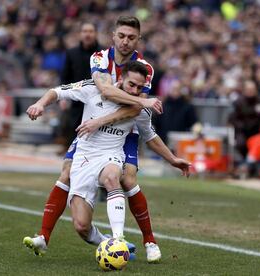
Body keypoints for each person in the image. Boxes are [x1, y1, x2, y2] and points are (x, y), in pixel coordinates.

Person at [23, 16, 165, 263]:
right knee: (66, 171)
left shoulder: (144, 68)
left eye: (131, 37)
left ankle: (149, 242)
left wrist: (119, 113)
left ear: (138, 39)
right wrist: (141, 101)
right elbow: (106, 90)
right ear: (113, 35)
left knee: (126, 178)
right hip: (93, 128)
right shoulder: (99, 58)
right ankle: (45, 237)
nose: (125, 41)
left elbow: (134, 111)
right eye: (121, 35)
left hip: (124, 131)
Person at [23, 61, 191, 258]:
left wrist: (172, 159)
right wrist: (39, 104)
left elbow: (150, 137)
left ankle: (118, 239)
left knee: (113, 177)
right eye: (131, 85)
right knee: (81, 226)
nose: (135, 91)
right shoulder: (93, 89)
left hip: (111, 155)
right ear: (120, 79)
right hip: (84, 157)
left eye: (140, 87)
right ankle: (108, 243)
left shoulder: (139, 109)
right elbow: (57, 91)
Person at [59, 22, 103, 153]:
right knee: (74, 128)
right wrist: (63, 97)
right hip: (76, 100)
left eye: (90, 31)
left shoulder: (104, 53)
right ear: (80, 34)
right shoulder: (71, 53)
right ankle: (72, 156)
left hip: (98, 99)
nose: (87, 34)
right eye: (84, 31)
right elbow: (65, 77)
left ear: (95, 34)